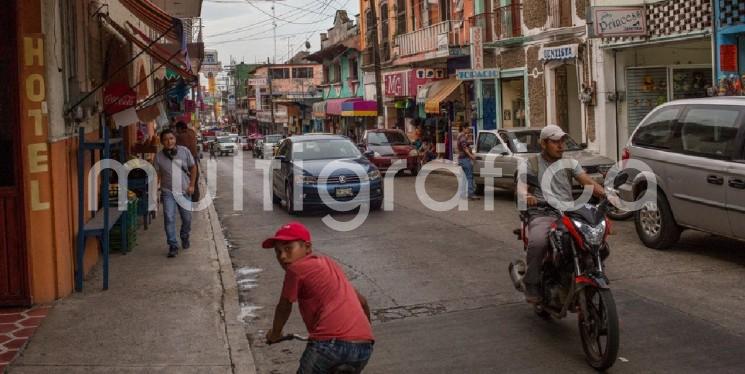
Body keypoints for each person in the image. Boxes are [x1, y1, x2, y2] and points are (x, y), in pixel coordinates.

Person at [263, 222, 374, 373]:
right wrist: (360, 334)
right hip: (364, 347)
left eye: (288, 248)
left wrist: (275, 334)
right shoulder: (329, 264)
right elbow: (362, 302)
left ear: (307, 248)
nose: (282, 256)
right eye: (278, 252)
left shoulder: (296, 269)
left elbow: (285, 306)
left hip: (330, 346)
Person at [517, 125, 605, 304]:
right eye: (555, 141)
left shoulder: (570, 163)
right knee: (539, 241)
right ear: (543, 143)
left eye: (562, 141)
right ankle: (531, 282)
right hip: (542, 211)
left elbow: (588, 182)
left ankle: (586, 273)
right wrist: (526, 195)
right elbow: (521, 185)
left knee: (597, 241)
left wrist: (607, 195)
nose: (561, 145)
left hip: (569, 212)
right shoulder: (531, 163)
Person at [155, 129, 196, 258]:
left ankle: (184, 236)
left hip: (184, 191)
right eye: (166, 139)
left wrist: (192, 185)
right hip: (168, 192)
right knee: (169, 217)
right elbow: (156, 174)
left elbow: (193, 167)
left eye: (171, 138)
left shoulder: (184, 151)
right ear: (162, 142)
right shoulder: (158, 157)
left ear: (175, 139)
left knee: (187, 218)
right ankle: (173, 245)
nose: (169, 141)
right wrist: (155, 191)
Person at [174, 121, 200, 202]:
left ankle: (189, 198)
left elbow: (175, 145)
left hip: (187, 160)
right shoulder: (192, 132)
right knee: (194, 180)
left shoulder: (181, 136)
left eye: (177, 129)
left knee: (187, 180)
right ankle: (195, 199)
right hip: (194, 159)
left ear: (180, 128)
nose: (176, 131)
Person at [456, 126, 479, 201]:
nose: (468, 130)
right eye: (467, 128)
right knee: (469, 177)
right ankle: (471, 194)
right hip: (464, 159)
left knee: (464, 177)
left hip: (462, 159)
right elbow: (465, 148)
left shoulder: (461, 136)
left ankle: (463, 194)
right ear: (463, 128)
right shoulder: (462, 137)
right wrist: (471, 156)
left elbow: (465, 145)